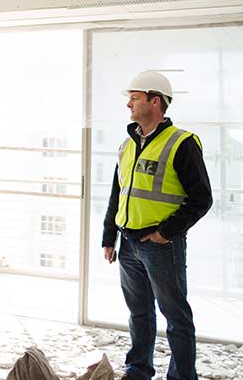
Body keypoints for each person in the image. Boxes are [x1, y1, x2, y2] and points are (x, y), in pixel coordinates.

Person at [102, 70, 212, 380]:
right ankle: (138, 371)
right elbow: (118, 193)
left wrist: (165, 233)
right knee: (139, 314)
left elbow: (201, 198)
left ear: (155, 101)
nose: (129, 105)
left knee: (175, 317)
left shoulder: (182, 143)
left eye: (134, 99)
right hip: (128, 244)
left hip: (161, 246)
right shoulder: (127, 144)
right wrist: (108, 237)